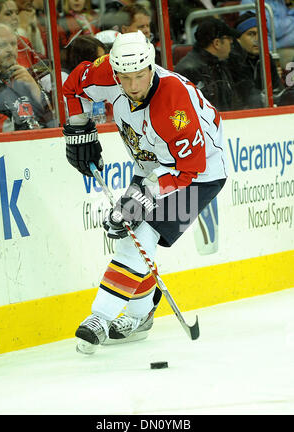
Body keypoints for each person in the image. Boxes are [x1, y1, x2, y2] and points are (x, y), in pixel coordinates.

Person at [62, 31, 228, 354]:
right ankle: (140, 317)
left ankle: (100, 316)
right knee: (128, 234)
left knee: (143, 233)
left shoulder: (174, 103)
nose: (134, 85)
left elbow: (187, 169)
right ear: (115, 73)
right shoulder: (105, 72)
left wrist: (143, 197)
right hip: (151, 166)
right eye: (126, 78)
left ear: (152, 66)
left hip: (198, 175)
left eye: (141, 76)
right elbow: (73, 87)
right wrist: (79, 129)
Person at [174, 18, 243, 111]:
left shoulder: (220, 63)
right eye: (229, 38)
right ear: (217, 43)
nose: (231, 42)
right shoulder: (189, 70)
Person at [0, 23, 52, 130]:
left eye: (13, 44)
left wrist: (35, 89)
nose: (10, 49)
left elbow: (53, 121)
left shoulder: (24, 77)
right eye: (1, 45)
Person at [229, 12, 284, 106]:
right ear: (238, 39)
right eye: (251, 34)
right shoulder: (232, 60)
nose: (258, 39)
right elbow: (248, 98)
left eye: (261, 33)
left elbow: (277, 90)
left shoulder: (266, 57)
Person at [240, 0, 294, 69]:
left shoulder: (280, 2)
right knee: (290, 57)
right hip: (264, 51)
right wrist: (292, 19)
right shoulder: (249, 1)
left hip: (278, 45)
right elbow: (275, 29)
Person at [0, 0, 41, 68]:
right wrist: (23, 27)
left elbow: (39, 70)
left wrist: (34, 31)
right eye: (8, 14)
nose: (15, 17)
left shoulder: (24, 41)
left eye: (16, 13)